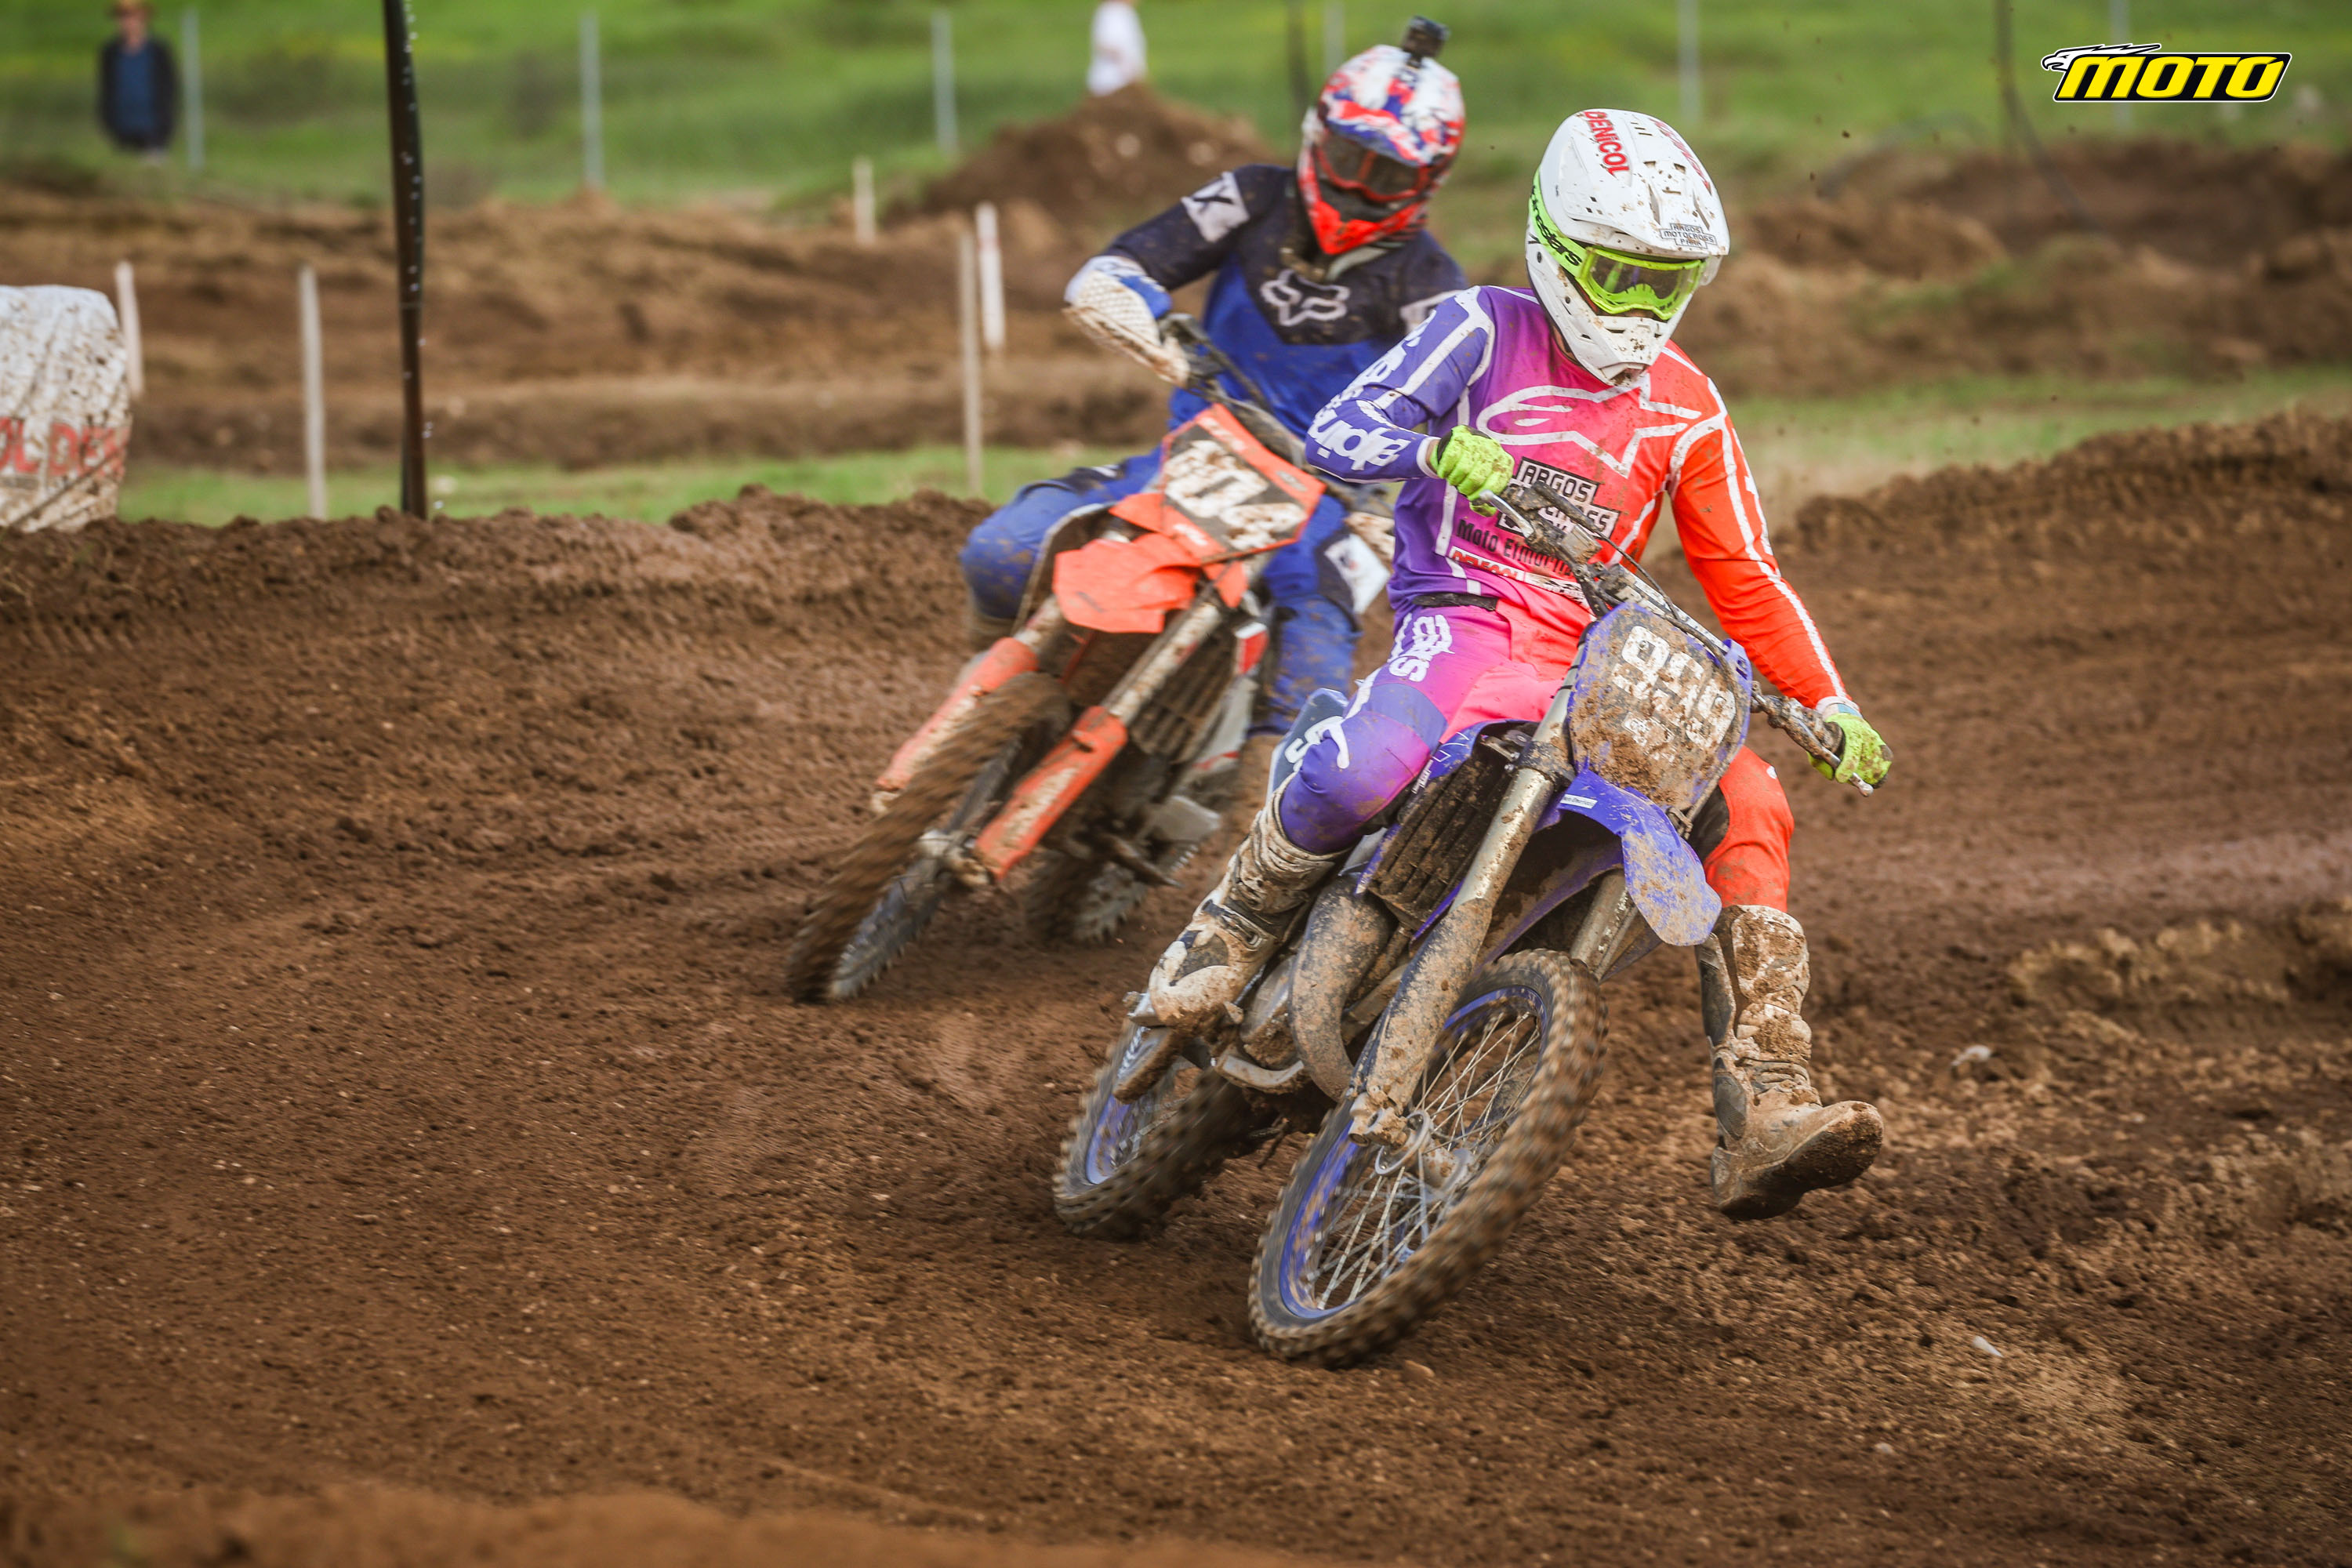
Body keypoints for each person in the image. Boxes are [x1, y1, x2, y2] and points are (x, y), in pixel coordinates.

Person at [1142, 108, 1896, 1220]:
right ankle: (1236, 920)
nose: (1637, 306)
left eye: (1664, 283)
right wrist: (1433, 445)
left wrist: (1829, 700)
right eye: (1618, 274)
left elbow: (1745, 575)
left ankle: (1767, 1098)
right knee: (1369, 764)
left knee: (1751, 799)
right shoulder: (1480, 328)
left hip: (1600, 655)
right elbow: (1343, 431)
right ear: (1557, 245)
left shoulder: (1688, 406)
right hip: (1471, 612)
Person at [960, 20, 1468, 761]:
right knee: (999, 554)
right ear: (1317, 137)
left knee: (1311, 672)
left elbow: (1462, 409)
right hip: (1191, 455)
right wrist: (1138, 310)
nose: (1358, 186)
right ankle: (981, 711)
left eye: (1385, 176)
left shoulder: (1430, 282)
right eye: (1347, 158)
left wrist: (1419, 491)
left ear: (1426, 183)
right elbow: (1120, 267)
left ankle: (1260, 811)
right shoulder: (1253, 197)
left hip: (1320, 501)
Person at [98, 2, 179, 157]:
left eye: (133, 16)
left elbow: (169, 89)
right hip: (121, 130)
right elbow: (106, 89)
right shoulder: (110, 52)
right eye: (123, 16)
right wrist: (107, 121)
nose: (128, 22)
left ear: (144, 17)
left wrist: (165, 125)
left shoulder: (159, 51)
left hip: (153, 130)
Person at [1088, 0, 1147, 96]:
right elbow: (1107, 44)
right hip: (1112, 83)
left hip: (1124, 82)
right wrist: (1129, 70)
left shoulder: (1125, 12)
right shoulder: (1112, 12)